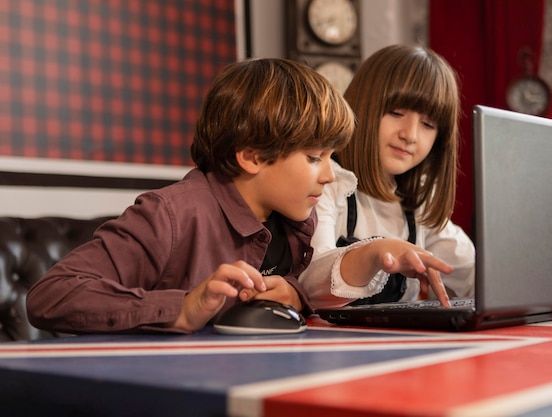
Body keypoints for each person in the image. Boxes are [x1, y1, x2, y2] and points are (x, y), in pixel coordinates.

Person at [26, 58, 357, 335]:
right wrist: (181, 309)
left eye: (331, 157)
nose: (329, 175)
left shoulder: (298, 216)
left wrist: (294, 293)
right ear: (253, 157)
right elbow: (52, 295)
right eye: (315, 157)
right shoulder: (169, 216)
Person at [299, 44, 475, 309]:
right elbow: (311, 285)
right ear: (361, 107)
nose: (410, 135)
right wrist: (374, 253)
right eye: (396, 113)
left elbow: (474, 273)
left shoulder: (418, 202)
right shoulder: (327, 181)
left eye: (428, 124)